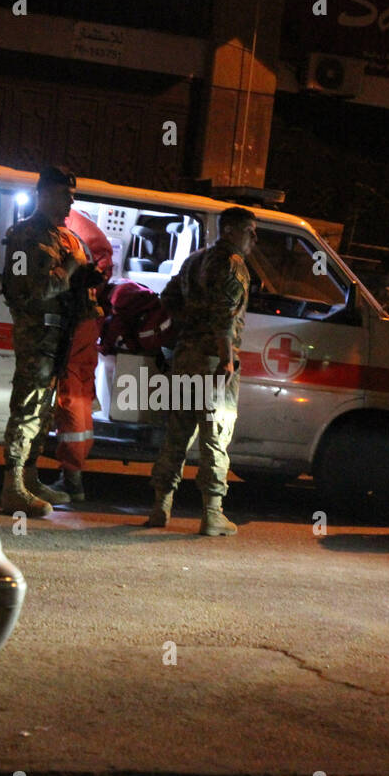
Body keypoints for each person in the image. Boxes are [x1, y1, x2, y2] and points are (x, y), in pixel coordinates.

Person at [146, 206, 256, 536]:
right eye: (250, 230)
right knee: (214, 437)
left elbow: (167, 298)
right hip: (213, 363)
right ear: (231, 230)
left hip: (185, 358)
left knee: (177, 434)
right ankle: (212, 513)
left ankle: (160, 507)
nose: (254, 238)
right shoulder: (234, 265)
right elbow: (224, 317)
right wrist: (226, 358)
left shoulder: (194, 260)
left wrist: (189, 327)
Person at [0, 165, 99, 517]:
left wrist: (87, 277)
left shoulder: (68, 237)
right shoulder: (24, 236)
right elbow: (27, 290)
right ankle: (12, 486)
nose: (69, 201)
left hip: (62, 338)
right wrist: (70, 270)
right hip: (36, 335)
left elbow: (76, 283)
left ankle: (29, 476)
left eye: (72, 196)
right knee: (27, 408)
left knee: (43, 411)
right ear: (42, 195)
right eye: (62, 194)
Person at [46, 208, 114, 502]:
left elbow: (45, 282)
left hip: (73, 321)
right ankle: (74, 472)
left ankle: (71, 477)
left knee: (70, 393)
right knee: (81, 391)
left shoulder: (62, 228)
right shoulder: (83, 228)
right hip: (88, 319)